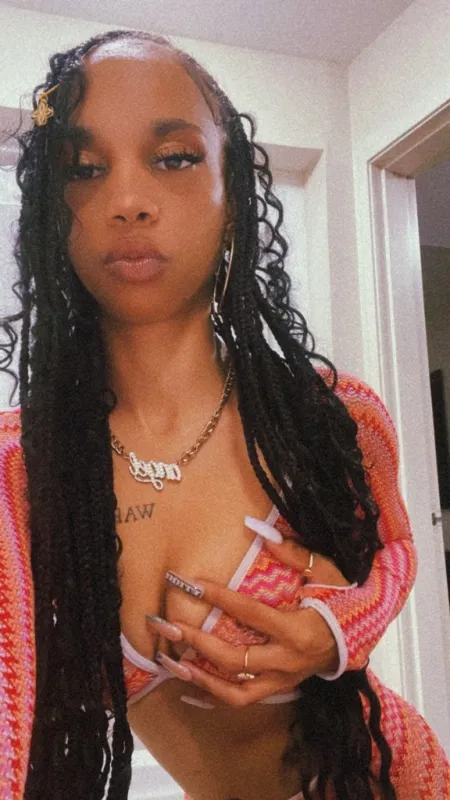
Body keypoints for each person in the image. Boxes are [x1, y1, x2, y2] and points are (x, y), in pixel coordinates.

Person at [0, 27, 449, 800]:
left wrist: (338, 632)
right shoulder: (23, 470)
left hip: (397, 776)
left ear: (233, 196)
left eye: (174, 157)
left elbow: (398, 550)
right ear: (52, 214)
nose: (127, 201)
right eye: (84, 168)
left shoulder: (330, 414)